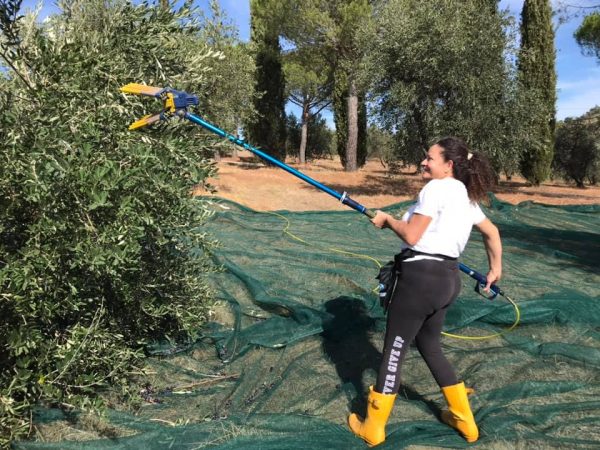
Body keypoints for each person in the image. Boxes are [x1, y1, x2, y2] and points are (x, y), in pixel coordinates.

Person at [348, 137, 502, 446]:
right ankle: (465, 422)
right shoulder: (465, 195)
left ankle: (374, 427)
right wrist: (495, 268)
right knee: (430, 345)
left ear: (449, 166)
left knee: (394, 350)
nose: (423, 162)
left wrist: (387, 220)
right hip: (447, 282)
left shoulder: (436, 188)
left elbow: (413, 235)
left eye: (429, 159)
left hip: (419, 280)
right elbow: (491, 232)